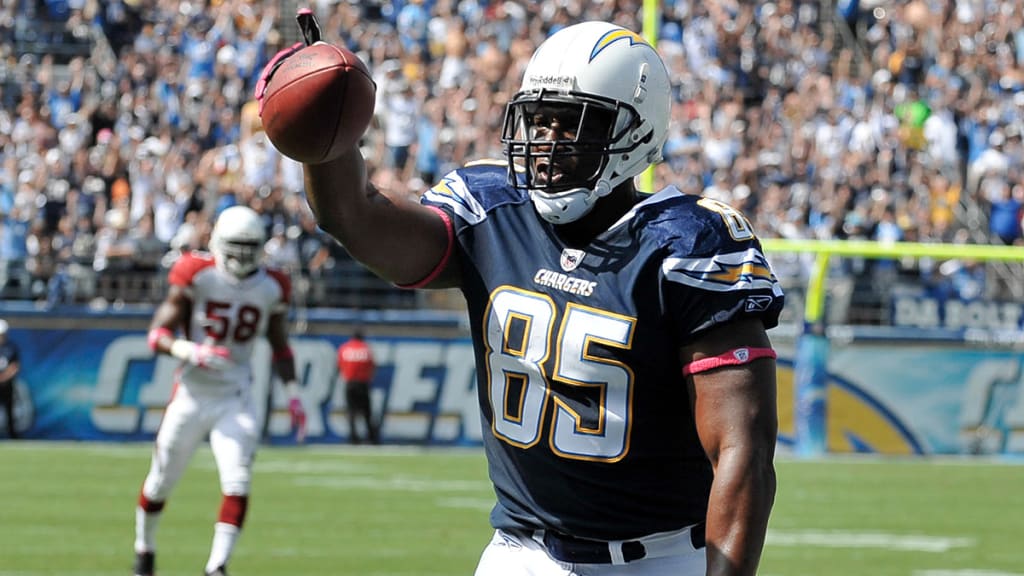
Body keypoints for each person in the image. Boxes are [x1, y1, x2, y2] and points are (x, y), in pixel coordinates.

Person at [265, 17, 783, 576]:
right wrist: (326, 136)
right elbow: (357, 218)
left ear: (635, 133)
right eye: (540, 122)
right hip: (521, 553)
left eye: (573, 125)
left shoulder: (688, 245)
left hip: (657, 558)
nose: (548, 143)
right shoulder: (493, 212)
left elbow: (742, 450)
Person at [133, 206, 306, 576]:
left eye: (250, 247)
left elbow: (280, 344)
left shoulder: (273, 285)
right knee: (160, 482)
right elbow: (157, 335)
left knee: (238, 481)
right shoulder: (197, 273)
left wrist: (293, 392)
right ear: (217, 243)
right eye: (236, 246)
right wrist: (191, 350)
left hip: (235, 396)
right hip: (191, 393)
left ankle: (217, 567)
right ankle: (144, 550)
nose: (243, 255)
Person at [336, 327, 378, 444]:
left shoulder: (344, 348)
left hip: (350, 383)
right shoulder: (366, 348)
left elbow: (339, 366)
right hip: (363, 383)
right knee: (367, 413)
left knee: (351, 412)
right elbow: (372, 366)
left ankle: (353, 438)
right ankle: (372, 438)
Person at [0, 319, 21, 439]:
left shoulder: (11, 347)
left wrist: (3, 377)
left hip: (7, 384)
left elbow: (15, 366)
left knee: (10, 412)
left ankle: (13, 437)